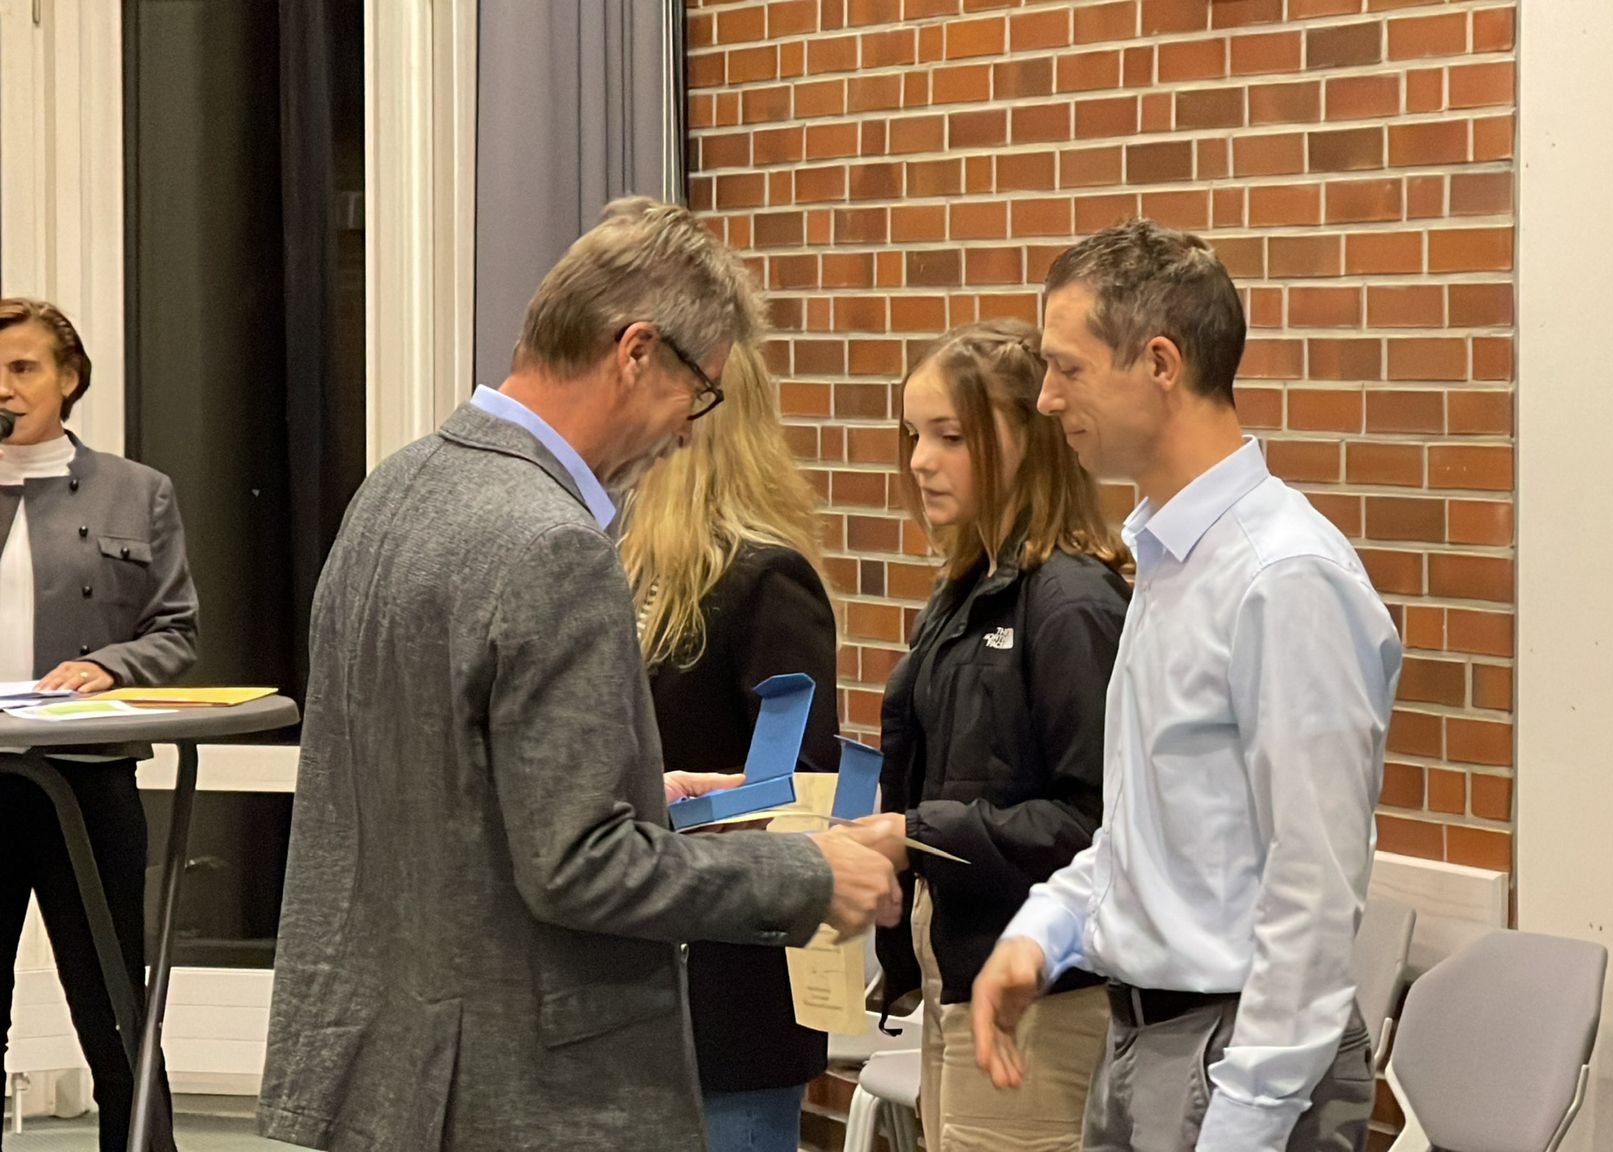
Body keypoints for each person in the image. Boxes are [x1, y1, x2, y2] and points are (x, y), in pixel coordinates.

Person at [258, 198, 902, 1152]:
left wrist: (644, 792)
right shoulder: (553, 545)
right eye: (701, 393)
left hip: (387, 1073)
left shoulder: (395, 486)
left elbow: (436, 794)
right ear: (637, 351)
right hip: (518, 1092)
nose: (690, 433)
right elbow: (580, 870)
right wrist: (805, 873)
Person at [971, 220, 1404, 1152]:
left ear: (1160, 363)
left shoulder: (1283, 575)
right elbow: (1156, 837)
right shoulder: (1170, 558)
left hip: (1238, 1057)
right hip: (1146, 1042)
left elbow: (1313, 882)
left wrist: (1248, 1114)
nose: (1045, 399)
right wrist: (1045, 930)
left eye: (1068, 368)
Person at [863, 318, 1128, 1152]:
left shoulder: (1071, 603)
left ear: (1029, 440)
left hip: (1045, 998)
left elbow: (1097, 825)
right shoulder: (965, 592)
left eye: (951, 437)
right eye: (914, 434)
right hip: (957, 974)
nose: (920, 461)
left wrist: (919, 835)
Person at [618, 342, 841, 1152]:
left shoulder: (767, 582)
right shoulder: (632, 572)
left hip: (731, 991)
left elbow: (798, 787)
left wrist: (669, 807)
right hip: (641, 982)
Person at [0, 297, 200, 1152]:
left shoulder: (137, 491)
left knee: (113, 1008)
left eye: (22, 368)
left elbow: (177, 629)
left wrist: (111, 665)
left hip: (85, 778)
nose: (4, 388)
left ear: (69, 378)